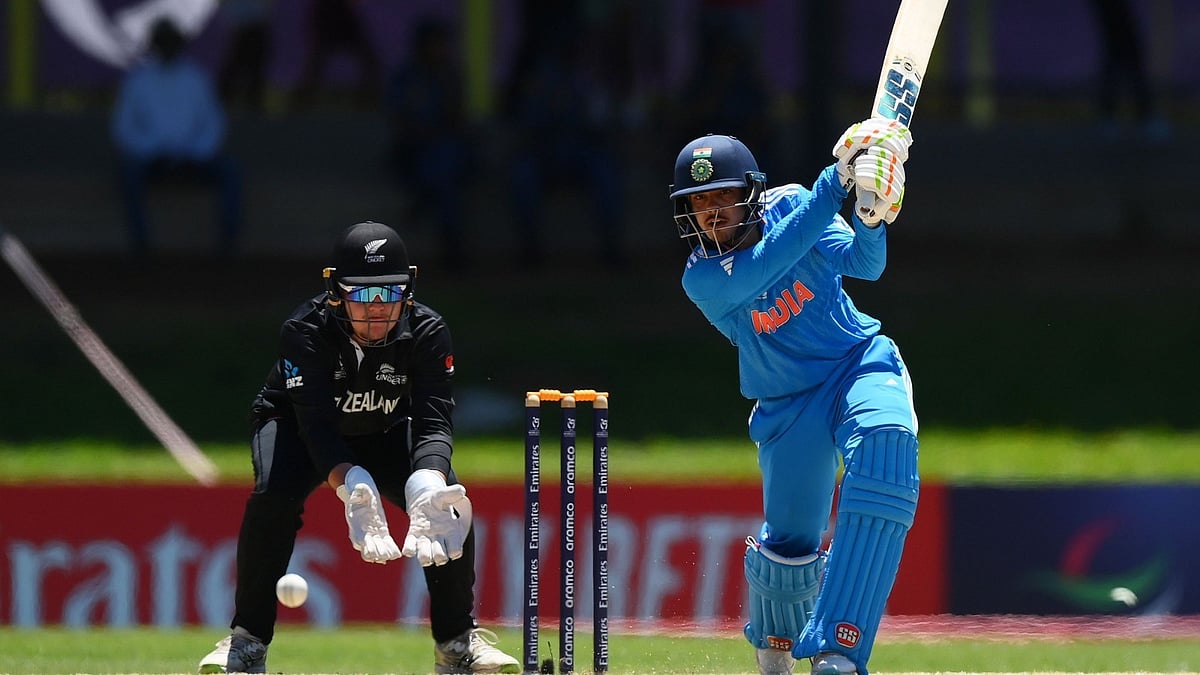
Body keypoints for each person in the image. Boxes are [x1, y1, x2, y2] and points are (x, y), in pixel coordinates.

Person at [197, 221, 519, 674]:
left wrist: (427, 479)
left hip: (386, 429)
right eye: (362, 295)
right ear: (335, 291)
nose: (376, 310)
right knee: (274, 499)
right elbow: (317, 428)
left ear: (407, 289)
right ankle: (246, 644)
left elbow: (433, 420)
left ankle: (457, 645)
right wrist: (350, 481)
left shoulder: (427, 332)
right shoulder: (303, 332)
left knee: (447, 505)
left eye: (389, 293)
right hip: (295, 426)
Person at [667, 120, 918, 675]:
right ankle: (776, 649)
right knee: (791, 543)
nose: (711, 213)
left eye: (723, 197)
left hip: (856, 363)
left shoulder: (795, 206)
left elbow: (864, 263)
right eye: (698, 202)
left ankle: (838, 650)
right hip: (787, 404)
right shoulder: (703, 278)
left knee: (885, 451)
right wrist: (836, 182)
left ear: (751, 193)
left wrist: (871, 215)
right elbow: (767, 264)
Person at [111, 17, 243, 257]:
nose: (167, 47)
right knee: (128, 174)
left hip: (194, 158)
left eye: (171, 42)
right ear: (155, 45)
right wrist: (154, 149)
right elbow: (124, 127)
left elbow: (214, 123)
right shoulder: (139, 81)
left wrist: (195, 151)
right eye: (162, 42)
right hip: (152, 160)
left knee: (232, 171)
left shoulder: (196, 78)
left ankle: (227, 247)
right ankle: (141, 248)